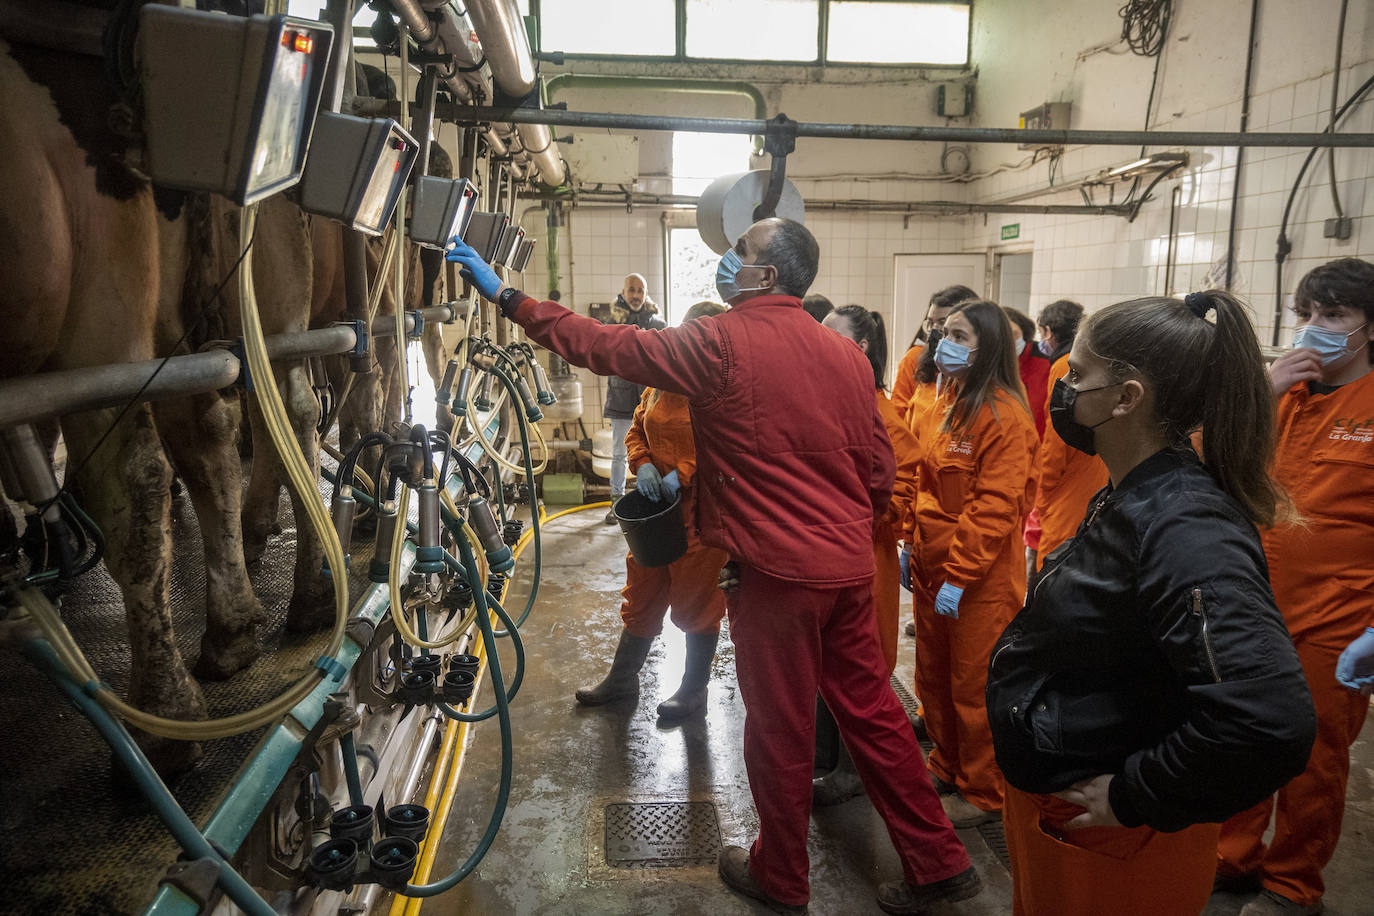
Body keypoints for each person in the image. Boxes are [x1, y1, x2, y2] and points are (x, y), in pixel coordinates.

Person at [447, 218, 978, 915]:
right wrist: (842, 527)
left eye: (742, 253)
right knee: (876, 716)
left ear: (766, 276)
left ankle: (782, 876)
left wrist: (510, 298)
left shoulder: (719, 341)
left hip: (777, 578)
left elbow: (608, 346)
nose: (728, 261)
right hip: (847, 571)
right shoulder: (847, 357)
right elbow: (880, 471)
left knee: (780, 728)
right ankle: (940, 861)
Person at [986, 291, 1317, 916]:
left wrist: (1137, 794)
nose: (1063, 385)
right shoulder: (1132, 490)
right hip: (1068, 817)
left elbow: (1268, 720)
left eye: (1077, 375)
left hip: (1117, 842)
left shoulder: (1185, 525)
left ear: (1126, 397)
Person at [1212, 259, 1374, 916]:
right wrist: (1261, 389)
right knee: (1239, 738)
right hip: (1251, 604)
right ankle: (1232, 855)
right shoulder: (1279, 397)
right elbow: (1205, 464)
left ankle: (1292, 885)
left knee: (1313, 761)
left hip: (1336, 618)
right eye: (1307, 313)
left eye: (1334, 316)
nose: (1315, 328)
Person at [905, 300, 1039, 829]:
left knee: (973, 686)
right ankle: (946, 763)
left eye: (957, 334)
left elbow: (994, 508)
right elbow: (928, 486)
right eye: (943, 331)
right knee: (932, 676)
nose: (944, 341)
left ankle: (983, 790)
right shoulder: (949, 401)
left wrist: (959, 576)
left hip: (976, 581)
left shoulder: (1003, 415)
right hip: (932, 568)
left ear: (987, 348)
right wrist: (909, 544)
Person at [575, 301, 731, 722]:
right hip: (655, 513)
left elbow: (728, 449)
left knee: (696, 603)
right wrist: (643, 464)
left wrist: (681, 474)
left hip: (700, 516)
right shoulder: (660, 381)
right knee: (642, 593)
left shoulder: (720, 389)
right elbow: (636, 428)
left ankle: (693, 691)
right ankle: (622, 680)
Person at [812, 304, 921, 805]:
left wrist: (859, 517)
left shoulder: (877, 407)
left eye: (829, 336)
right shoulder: (833, 399)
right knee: (828, 665)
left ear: (860, 351)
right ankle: (831, 760)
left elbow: (906, 479)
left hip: (863, 557)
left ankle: (856, 773)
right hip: (833, 553)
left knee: (861, 673)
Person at [1027, 298, 1106, 582]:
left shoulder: (1064, 367)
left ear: (1048, 331)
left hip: (1069, 489)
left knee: (1053, 572)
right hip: (1098, 483)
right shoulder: (1101, 364)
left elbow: (1056, 441)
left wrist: (1043, 499)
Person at [601, 273, 665, 523]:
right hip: (620, 398)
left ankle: (648, 502)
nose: (636, 295)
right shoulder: (612, 323)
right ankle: (616, 503)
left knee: (653, 452)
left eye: (641, 290)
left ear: (645, 293)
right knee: (618, 454)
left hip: (652, 400)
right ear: (624, 292)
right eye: (632, 290)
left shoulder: (658, 323)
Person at [890, 285, 980, 435]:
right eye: (931, 323)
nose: (935, 331)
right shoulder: (915, 359)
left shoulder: (989, 395)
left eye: (942, 323)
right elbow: (898, 414)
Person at [1002, 306, 1051, 437]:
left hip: (1039, 446)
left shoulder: (1047, 362)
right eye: (1000, 334)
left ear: (1024, 332)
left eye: (1012, 334)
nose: (1007, 341)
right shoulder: (986, 366)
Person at [1035, 298, 1084, 364]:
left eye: (1040, 332)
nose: (1041, 339)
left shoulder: (1062, 363)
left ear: (1048, 333)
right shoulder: (1082, 357)